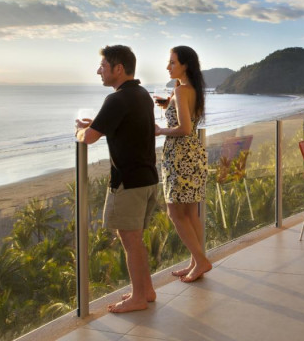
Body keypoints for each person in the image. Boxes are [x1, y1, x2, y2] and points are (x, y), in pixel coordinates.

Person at [75, 45, 159, 313]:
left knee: (130, 240)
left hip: (128, 182)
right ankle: (146, 291)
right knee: (136, 239)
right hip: (147, 177)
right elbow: (123, 127)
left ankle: (137, 298)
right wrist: (96, 124)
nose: (98, 71)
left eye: (103, 66)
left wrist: (79, 131)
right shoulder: (142, 94)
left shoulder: (117, 99)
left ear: (118, 68)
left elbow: (88, 138)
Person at [154, 45, 213, 282]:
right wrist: (168, 105)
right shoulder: (192, 90)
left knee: (175, 213)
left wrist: (160, 130)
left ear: (185, 65)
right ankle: (195, 261)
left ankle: (201, 261)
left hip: (180, 157)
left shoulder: (181, 91)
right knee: (190, 213)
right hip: (194, 155)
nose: (168, 66)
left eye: (172, 62)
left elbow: (185, 129)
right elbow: (190, 119)